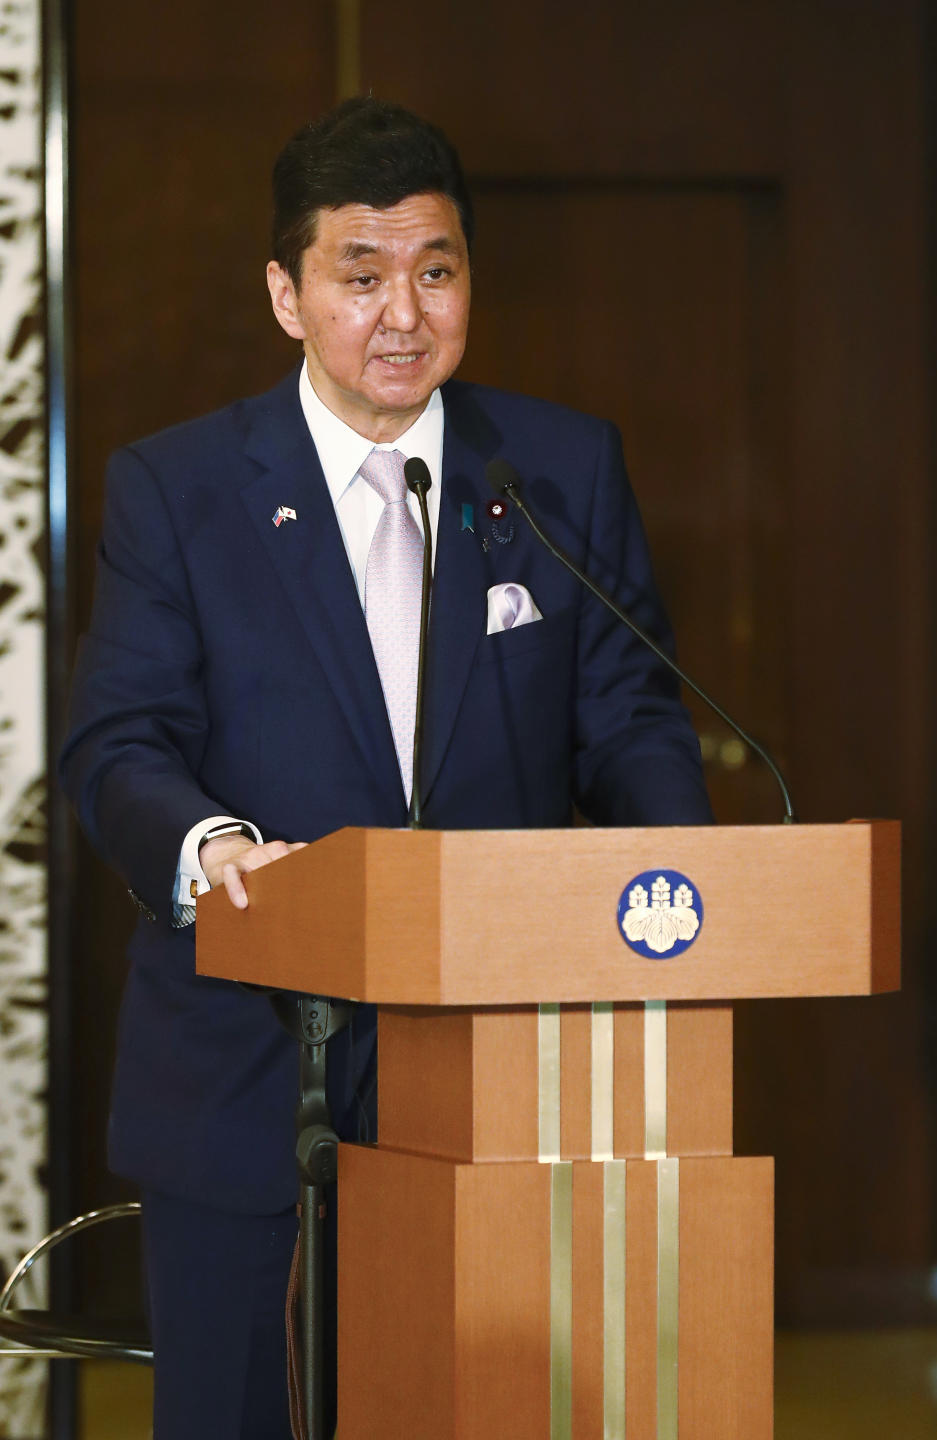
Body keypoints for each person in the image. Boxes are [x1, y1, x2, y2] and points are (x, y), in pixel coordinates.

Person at [60, 97, 712, 1439]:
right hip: (248, 1063)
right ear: (287, 294)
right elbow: (119, 743)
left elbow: (631, 719)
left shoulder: (555, 470)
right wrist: (212, 851)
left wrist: (689, 895)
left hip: (498, 1066)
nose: (404, 313)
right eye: (361, 277)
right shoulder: (177, 491)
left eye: (436, 268)